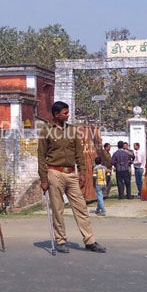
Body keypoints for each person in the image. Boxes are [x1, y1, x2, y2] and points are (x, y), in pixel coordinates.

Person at [38, 101, 106, 254]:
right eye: (64, 113)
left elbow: (79, 154)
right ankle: (60, 240)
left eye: (67, 113)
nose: (67, 115)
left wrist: (82, 173)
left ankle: (90, 241)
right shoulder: (46, 131)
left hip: (71, 173)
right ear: (56, 114)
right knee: (58, 209)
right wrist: (43, 179)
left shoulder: (72, 131)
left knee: (81, 207)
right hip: (54, 173)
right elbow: (41, 157)